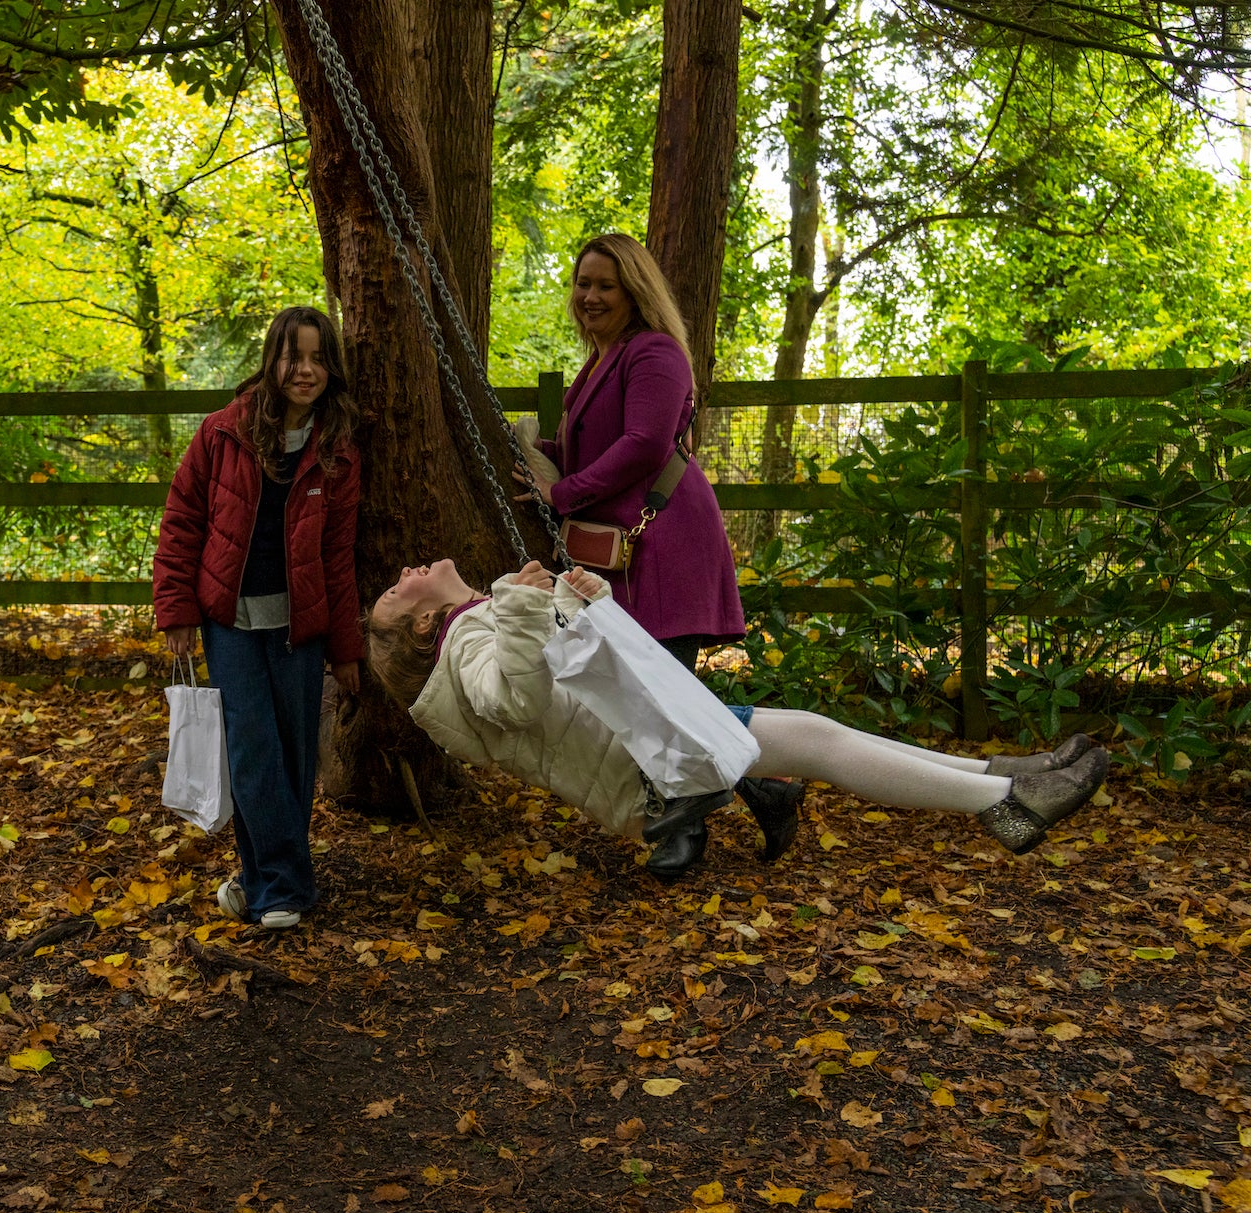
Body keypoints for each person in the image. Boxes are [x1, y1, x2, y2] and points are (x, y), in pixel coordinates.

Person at [364, 558, 1108, 872]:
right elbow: (515, 698)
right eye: (398, 593)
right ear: (425, 626)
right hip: (651, 758)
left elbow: (559, 675)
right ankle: (1004, 802)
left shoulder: (479, 620)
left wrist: (579, 603)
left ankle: (1004, 780)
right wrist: (529, 604)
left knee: (818, 735)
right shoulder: (466, 641)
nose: (404, 574)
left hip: (653, 735)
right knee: (816, 739)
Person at [512, 233, 774, 872]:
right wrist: (539, 445)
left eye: (606, 285)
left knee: (664, 691)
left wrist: (562, 490)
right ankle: (768, 793)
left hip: (666, 542)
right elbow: (603, 440)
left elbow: (644, 445)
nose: (591, 296)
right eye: (584, 284)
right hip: (626, 552)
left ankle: (682, 832)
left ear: (634, 290)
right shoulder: (599, 361)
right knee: (643, 691)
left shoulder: (655, 352)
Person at [152, 307, 364, 930]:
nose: (305, 370)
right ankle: (282, 891)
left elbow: (338, 556)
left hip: (301, 628)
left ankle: (259, 882)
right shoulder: (222, 433)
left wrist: (347, 649)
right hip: (229, 624)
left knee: (296, 754)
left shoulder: (338, 451)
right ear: (272, 361)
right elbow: (182, 522)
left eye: (318, 358)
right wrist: (177, 612)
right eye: (293, 356)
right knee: (252, 749)